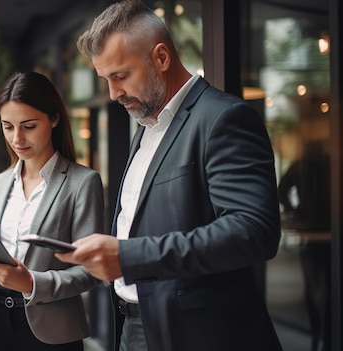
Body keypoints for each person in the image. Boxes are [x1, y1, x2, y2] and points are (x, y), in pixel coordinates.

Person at [55, 1, 283, 350]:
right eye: (106, 80)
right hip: (133, 324)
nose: (114, 94)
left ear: (161, 58)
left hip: (199, 334)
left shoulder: (223, 118)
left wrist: (129, 256)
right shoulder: (146, 127)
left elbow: (253, 231)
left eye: (120, 76)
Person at [0, 71, 105, 351]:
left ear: (54, 119)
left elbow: (91, 271)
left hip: (52, 330)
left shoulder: (83, 182)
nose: (17, 138)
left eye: (29, 126)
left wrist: (32, 282)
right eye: (7, 127)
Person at [278, 140, 331, 351]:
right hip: (313, 228)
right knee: (316, 282)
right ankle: (319, 331)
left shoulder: (321, 164)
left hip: (321, 227)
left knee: (320, 283)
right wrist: (295, 211)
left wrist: (296, 210)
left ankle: (322, 332)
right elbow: (282, 190)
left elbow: (282, 191)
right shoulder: (304, 165)